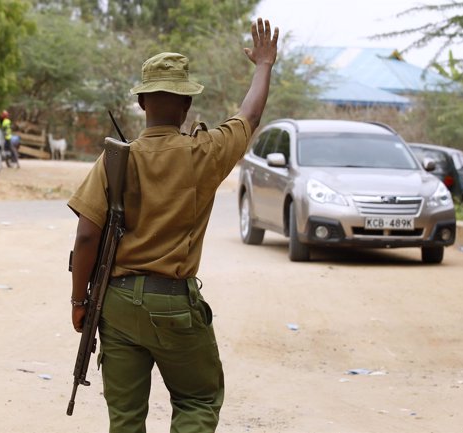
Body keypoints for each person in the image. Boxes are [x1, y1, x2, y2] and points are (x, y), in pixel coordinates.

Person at [67, 17, 279, 433]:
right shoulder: (206, 153)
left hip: (118, 302)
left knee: (125, 419)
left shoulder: (114, 159)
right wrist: (264, 65)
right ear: (185, 107)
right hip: (175, 304)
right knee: (197, 399)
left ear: (143, 103)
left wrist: (79, 302)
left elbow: (87, 234)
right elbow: (248, 116)